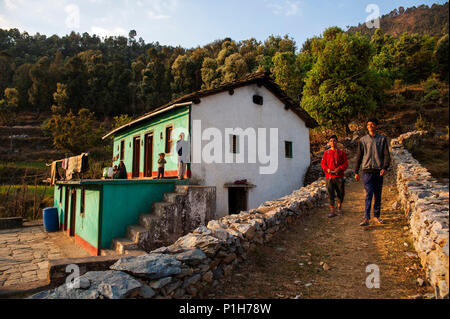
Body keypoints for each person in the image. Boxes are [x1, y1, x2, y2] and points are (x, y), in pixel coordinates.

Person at [355, 118, 391, 226]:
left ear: (376, 126)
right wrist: (356, 171)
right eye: (368, 124)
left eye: (372, 124)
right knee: (368, 194)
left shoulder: (382, 139)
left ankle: (376, 216)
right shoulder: (363, 140)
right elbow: (359, 156)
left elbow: (386, 155)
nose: (370, 126)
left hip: (378, 171)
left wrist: (385, 167)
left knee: (378, 194)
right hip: (367, 171)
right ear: (367, 127)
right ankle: (366, 217)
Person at [321, 135, 349, 218]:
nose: (333, 142)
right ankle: (332, 211)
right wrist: (327, 169)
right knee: (330, 194)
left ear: (337, 142)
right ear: (329, 142)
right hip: (329, 177)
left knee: (341, 193)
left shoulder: (341, 153)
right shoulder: (326, 153)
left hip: (339, 176)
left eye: (334, 141)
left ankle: (339, 208)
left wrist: (339, 169)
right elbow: (323, 164)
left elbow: (346, 164)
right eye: (331, 141)